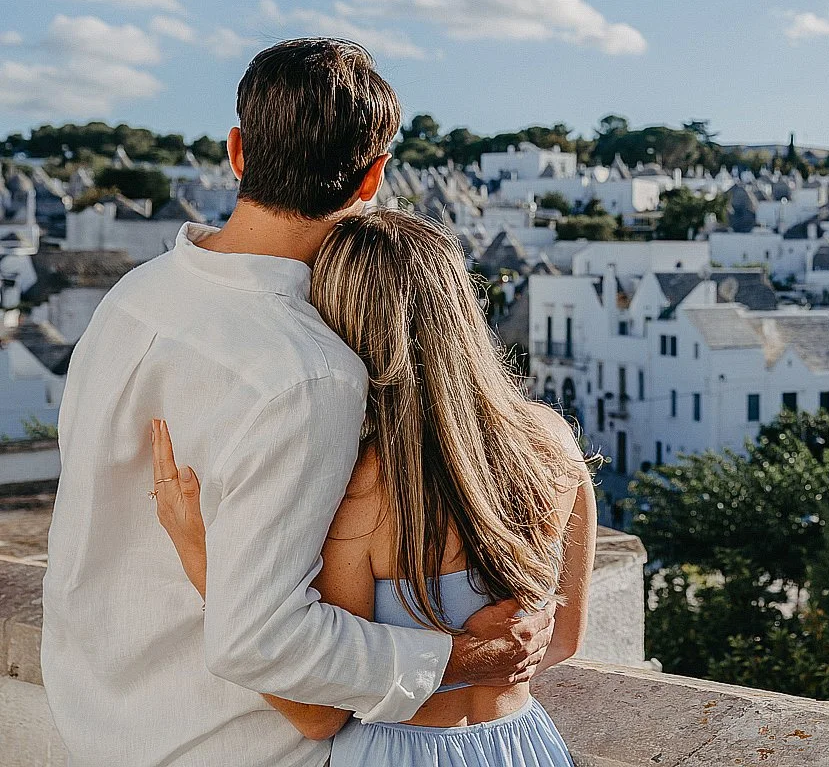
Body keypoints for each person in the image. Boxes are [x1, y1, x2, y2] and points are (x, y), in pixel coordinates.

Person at [41, 38, 556, 767]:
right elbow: (265, 641)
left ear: (237, 152)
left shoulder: (136, 297)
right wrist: (458, 662)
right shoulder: (309, 373)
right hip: (224, 743)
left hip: (96, 718)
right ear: (374, 175)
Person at [150, 208, 595, 765]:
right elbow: (563, 640)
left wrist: (200, 557)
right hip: (524, 743)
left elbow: (318, 715)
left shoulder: (360, 492)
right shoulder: (552, 440)